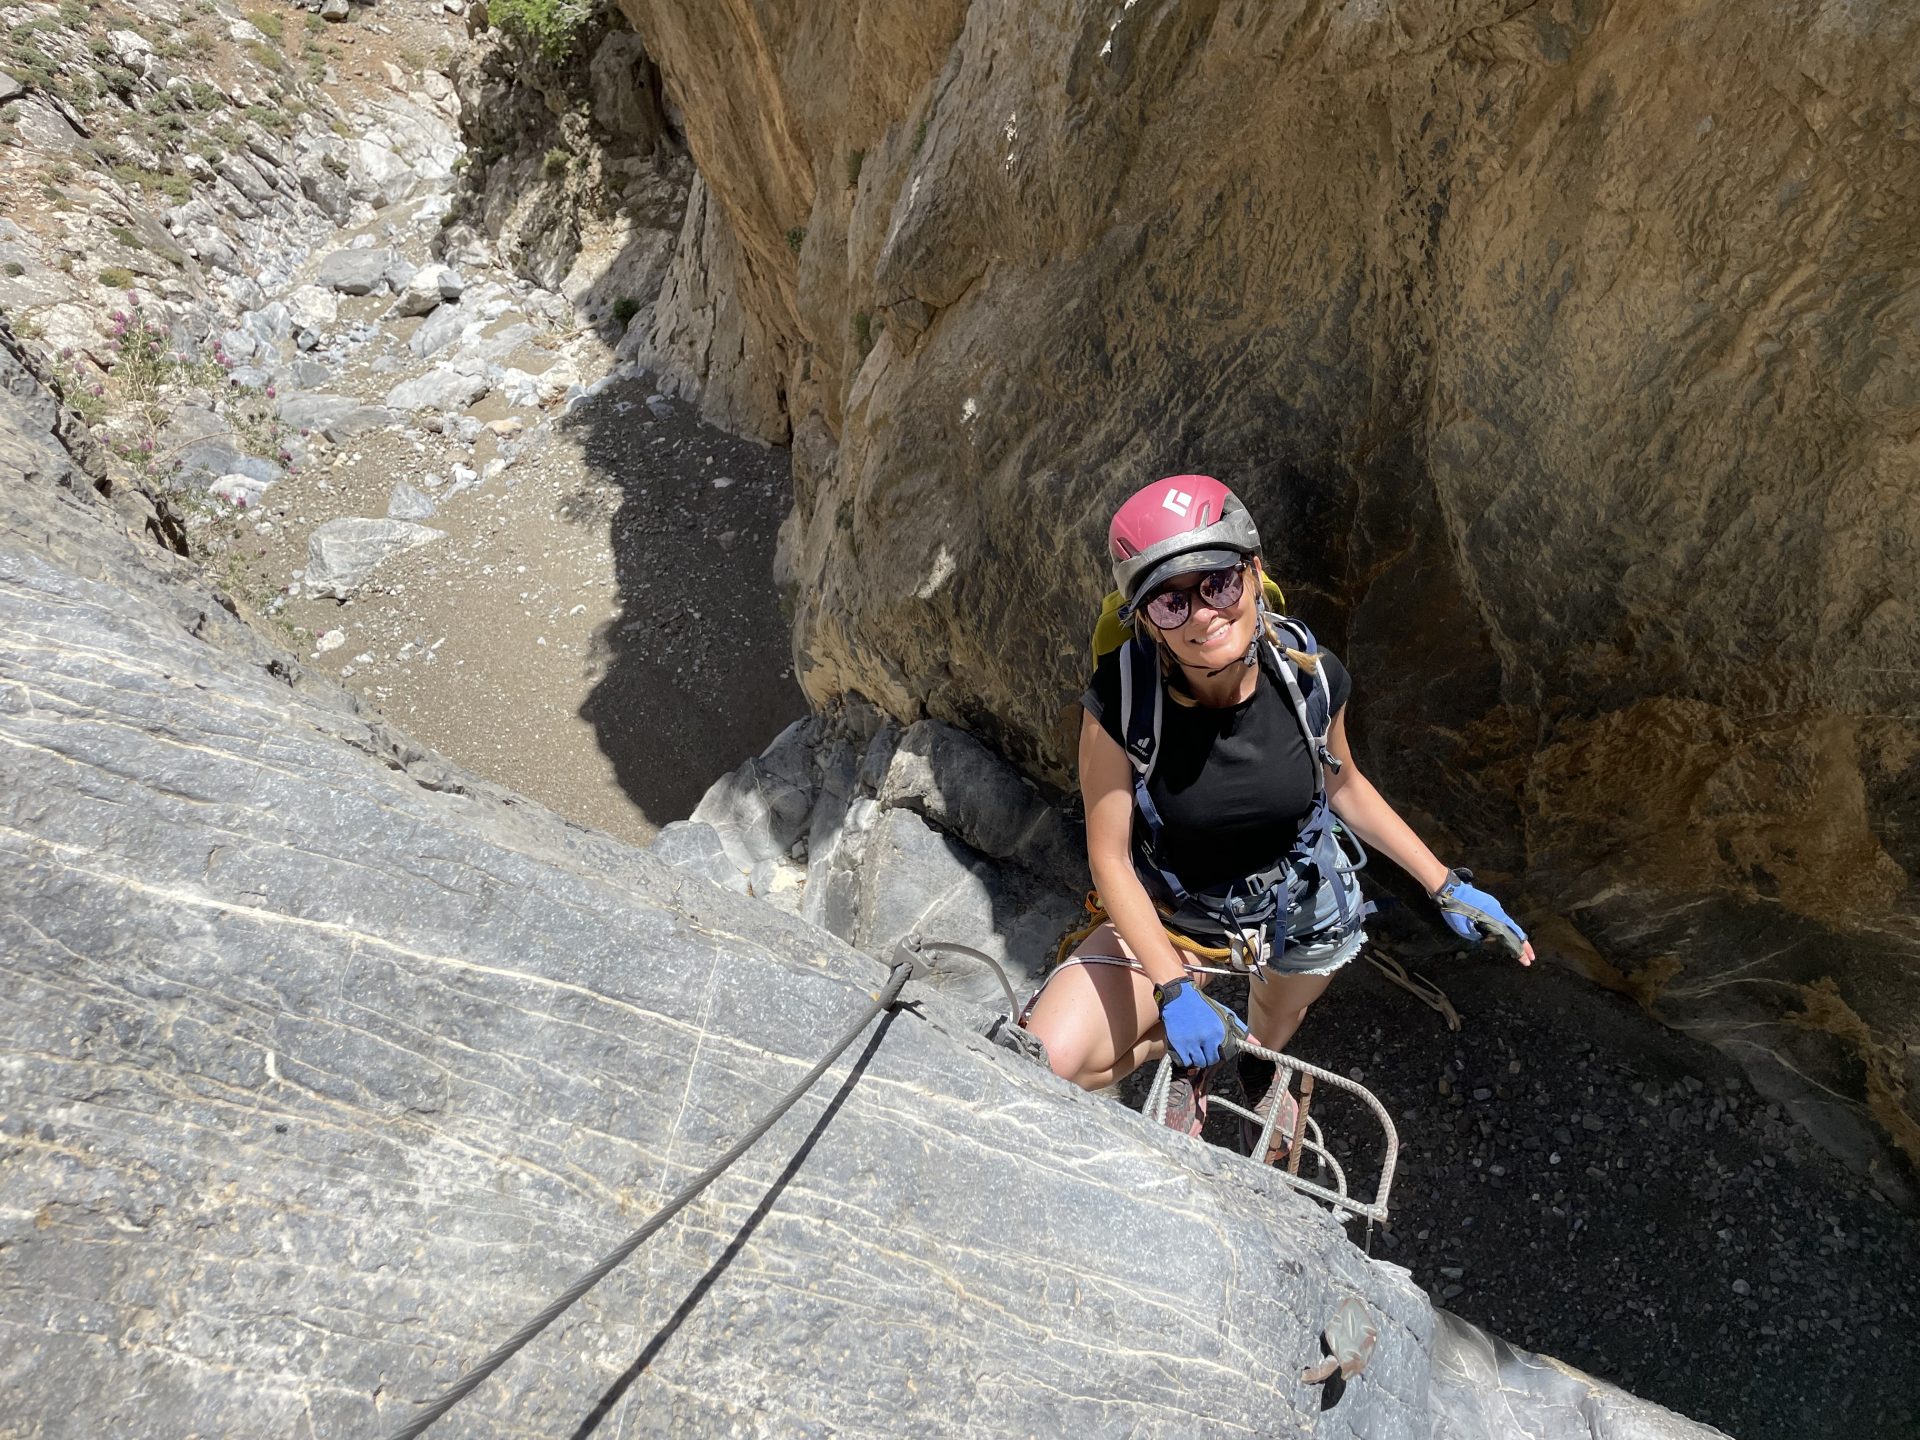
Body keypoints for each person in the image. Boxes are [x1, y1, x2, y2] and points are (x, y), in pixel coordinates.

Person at [1021, 474, 1534, 1150]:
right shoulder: (1119, 703)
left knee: (1276, 1019)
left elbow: (1344, 785)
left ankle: (1255, 1056)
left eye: (1219, 583)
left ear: (1254, 573)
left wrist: (1444, 883)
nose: (1204, 614)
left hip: (1301, 898)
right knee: (1049, 1058)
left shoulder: (1310, 674)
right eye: (1171, 603)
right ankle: (1195, 1046)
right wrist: (1175, 992)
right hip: (1176, 912)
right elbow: (1110, 857)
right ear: (1146, 620)